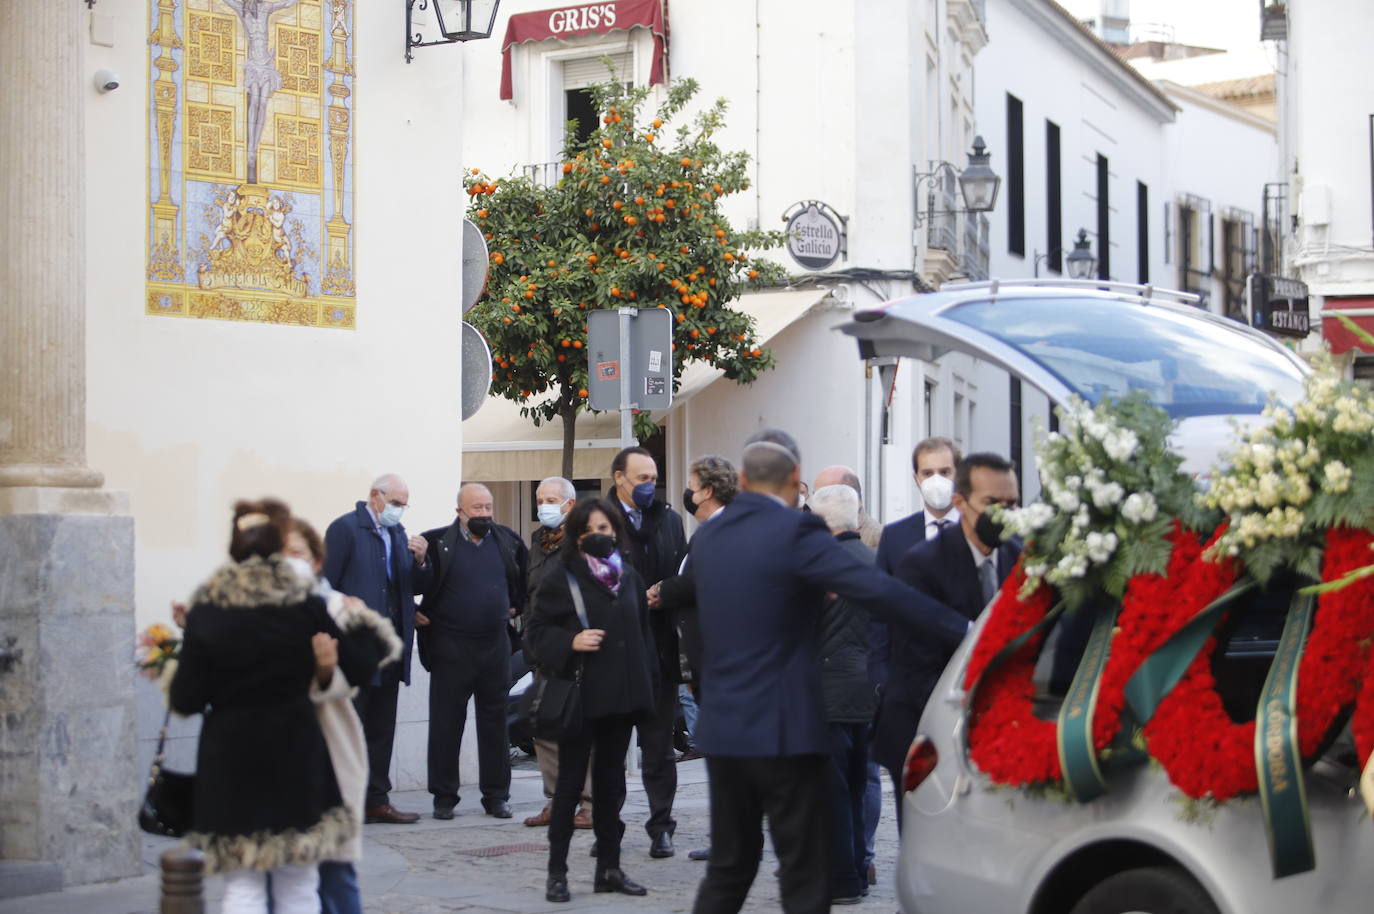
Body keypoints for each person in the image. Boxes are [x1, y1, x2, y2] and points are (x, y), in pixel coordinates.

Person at [689, 430, 971, 914]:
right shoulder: (797, 534)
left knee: (729, 867)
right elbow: (881, 592)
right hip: (787, 730)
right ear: (796, 480)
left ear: (741, 479)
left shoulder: (710, 537)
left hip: (722, 728)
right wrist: (966, 627)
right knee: (805, 870)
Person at [169, 499, 375, 913]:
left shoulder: (209, 610)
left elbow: (185, 698)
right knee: (299, 882)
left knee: (242, 886)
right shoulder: (305, 605)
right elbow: (358, 666)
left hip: (230, 760)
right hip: (295, 755)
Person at [525, 498, 659, 903]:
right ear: (577, 536)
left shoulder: (629, 577)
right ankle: (557, 873)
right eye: (590, 530)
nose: (599, 536)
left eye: (606, 529)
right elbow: (535, 632)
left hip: (621, 699)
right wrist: (570, 641)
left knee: (610, 785)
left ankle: (609, 869)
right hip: (580, 696)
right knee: (569, 787)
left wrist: (647, 691)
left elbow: (643, 636)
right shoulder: (561, 578)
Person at [875, 453, 1022, 824]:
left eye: (1011, 504)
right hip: (926, 730)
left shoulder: (1020, 557)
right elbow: (916, 664)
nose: (1003, 514)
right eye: (992, 504)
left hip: (996, 729)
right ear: (961, 503)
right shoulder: (922, 564)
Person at [284, 518, 402, 914]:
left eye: (297, 553)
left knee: (335, 874)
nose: (289, 562)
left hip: (328, 751)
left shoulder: (338, 607)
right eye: (280, 554)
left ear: (316, 562)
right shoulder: (252, 612)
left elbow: (366, 666)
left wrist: (326, 671)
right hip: (273, 758)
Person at [865, 436, 961, 877]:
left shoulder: (981, 530)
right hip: (907, 690)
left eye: (945, 471)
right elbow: (880, 612)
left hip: (965, 686)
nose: (936, 481)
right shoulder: (897, 536)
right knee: (911, 791)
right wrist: (882, 678)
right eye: (928, 472)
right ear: (915, 478)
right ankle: (916, 881)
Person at [323, 474, 431, 824]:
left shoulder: (398, 534)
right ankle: (342, 803)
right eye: (396, 503)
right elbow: (326, 586)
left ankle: (376, 800)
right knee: (350, 727)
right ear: (375, 496)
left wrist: (421, 562)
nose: (399, 510)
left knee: (382, 728)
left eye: (403, 505)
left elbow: (408, 586)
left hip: (391, 646)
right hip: (355, 649)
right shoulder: (345, 529)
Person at [418, 482, 526, 820]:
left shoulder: (507, 540)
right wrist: (413, 610)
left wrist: (516, 606)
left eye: (487, 508)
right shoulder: (435, 542)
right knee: (446, 725)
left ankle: (497, 797)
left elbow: (524, 579)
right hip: (450, 648)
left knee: (495, 725)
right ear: (459, 512)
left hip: (494, 648)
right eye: (476, 509)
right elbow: (410, 582)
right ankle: (444, 798)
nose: (483, 514)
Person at [650, 455, 739, 863]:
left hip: (718, 661)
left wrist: (663, 592)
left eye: (691, 483)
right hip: (709, 659)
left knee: (726, 757)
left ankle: (732, 839)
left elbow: (700, 582)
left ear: (705, 490)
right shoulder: (712, 529)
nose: (686, 491)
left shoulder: (719, 530)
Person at [607, 446, 688, 859]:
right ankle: (609, 828)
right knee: (610, 747)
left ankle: (661, 826)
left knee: (658, 749)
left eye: (653, 478)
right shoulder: (596, 521)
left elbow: (685, 575)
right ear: (619, 478)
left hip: (659, 651)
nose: (649, 485)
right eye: (641, 479)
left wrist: (665, 594)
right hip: (614, 656)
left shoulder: (670, 520)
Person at [807, 485, 880, 905]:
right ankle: (858, 871)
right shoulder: (874, 562)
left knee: (831, 791)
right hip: (866, 689)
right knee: (856, 786)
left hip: (828, 691)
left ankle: (841, 881)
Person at [522, 476, 594, 831]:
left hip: (575, 648)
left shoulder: (583, 540)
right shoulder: (538, 542)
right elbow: (530, 593)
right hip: (542, 648)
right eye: (540, 498)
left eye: (552, 499)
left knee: (579, 727)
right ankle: (556, 801)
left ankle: (589, 804)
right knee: (545, 725)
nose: (544, 505)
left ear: (569, 504)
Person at [812, 465, 881, 548]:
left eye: (824, 497)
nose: (816, 503)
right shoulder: (814, 531)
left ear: (849, 495)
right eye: (815, 495)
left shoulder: (877, 537)